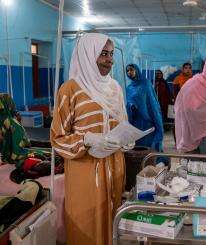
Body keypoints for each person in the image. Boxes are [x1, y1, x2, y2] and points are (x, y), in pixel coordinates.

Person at [50, 33, 130, 245]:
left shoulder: (115, 88)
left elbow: (123, 122)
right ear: (87, 53)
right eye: (103, 54)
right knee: (86, 223)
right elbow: (57, 138)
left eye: (111, 54)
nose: (109, 60)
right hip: (85, 170)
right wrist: (86, 139)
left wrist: (126, 138)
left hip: (114, 165)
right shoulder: (70, 89)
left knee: (113, 218)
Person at [126, 64, 164, 152]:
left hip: (147, 120)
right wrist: (131, 105)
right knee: (138, 145)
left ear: (136, 70)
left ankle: (151, 160)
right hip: (135, 121)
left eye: (131, 70)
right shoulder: (129, 88)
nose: (129, 72)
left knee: (148, 144)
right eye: (127, 71)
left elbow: (152, 102)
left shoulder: (146, 84)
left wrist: (156, 118)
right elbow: (128, 103)